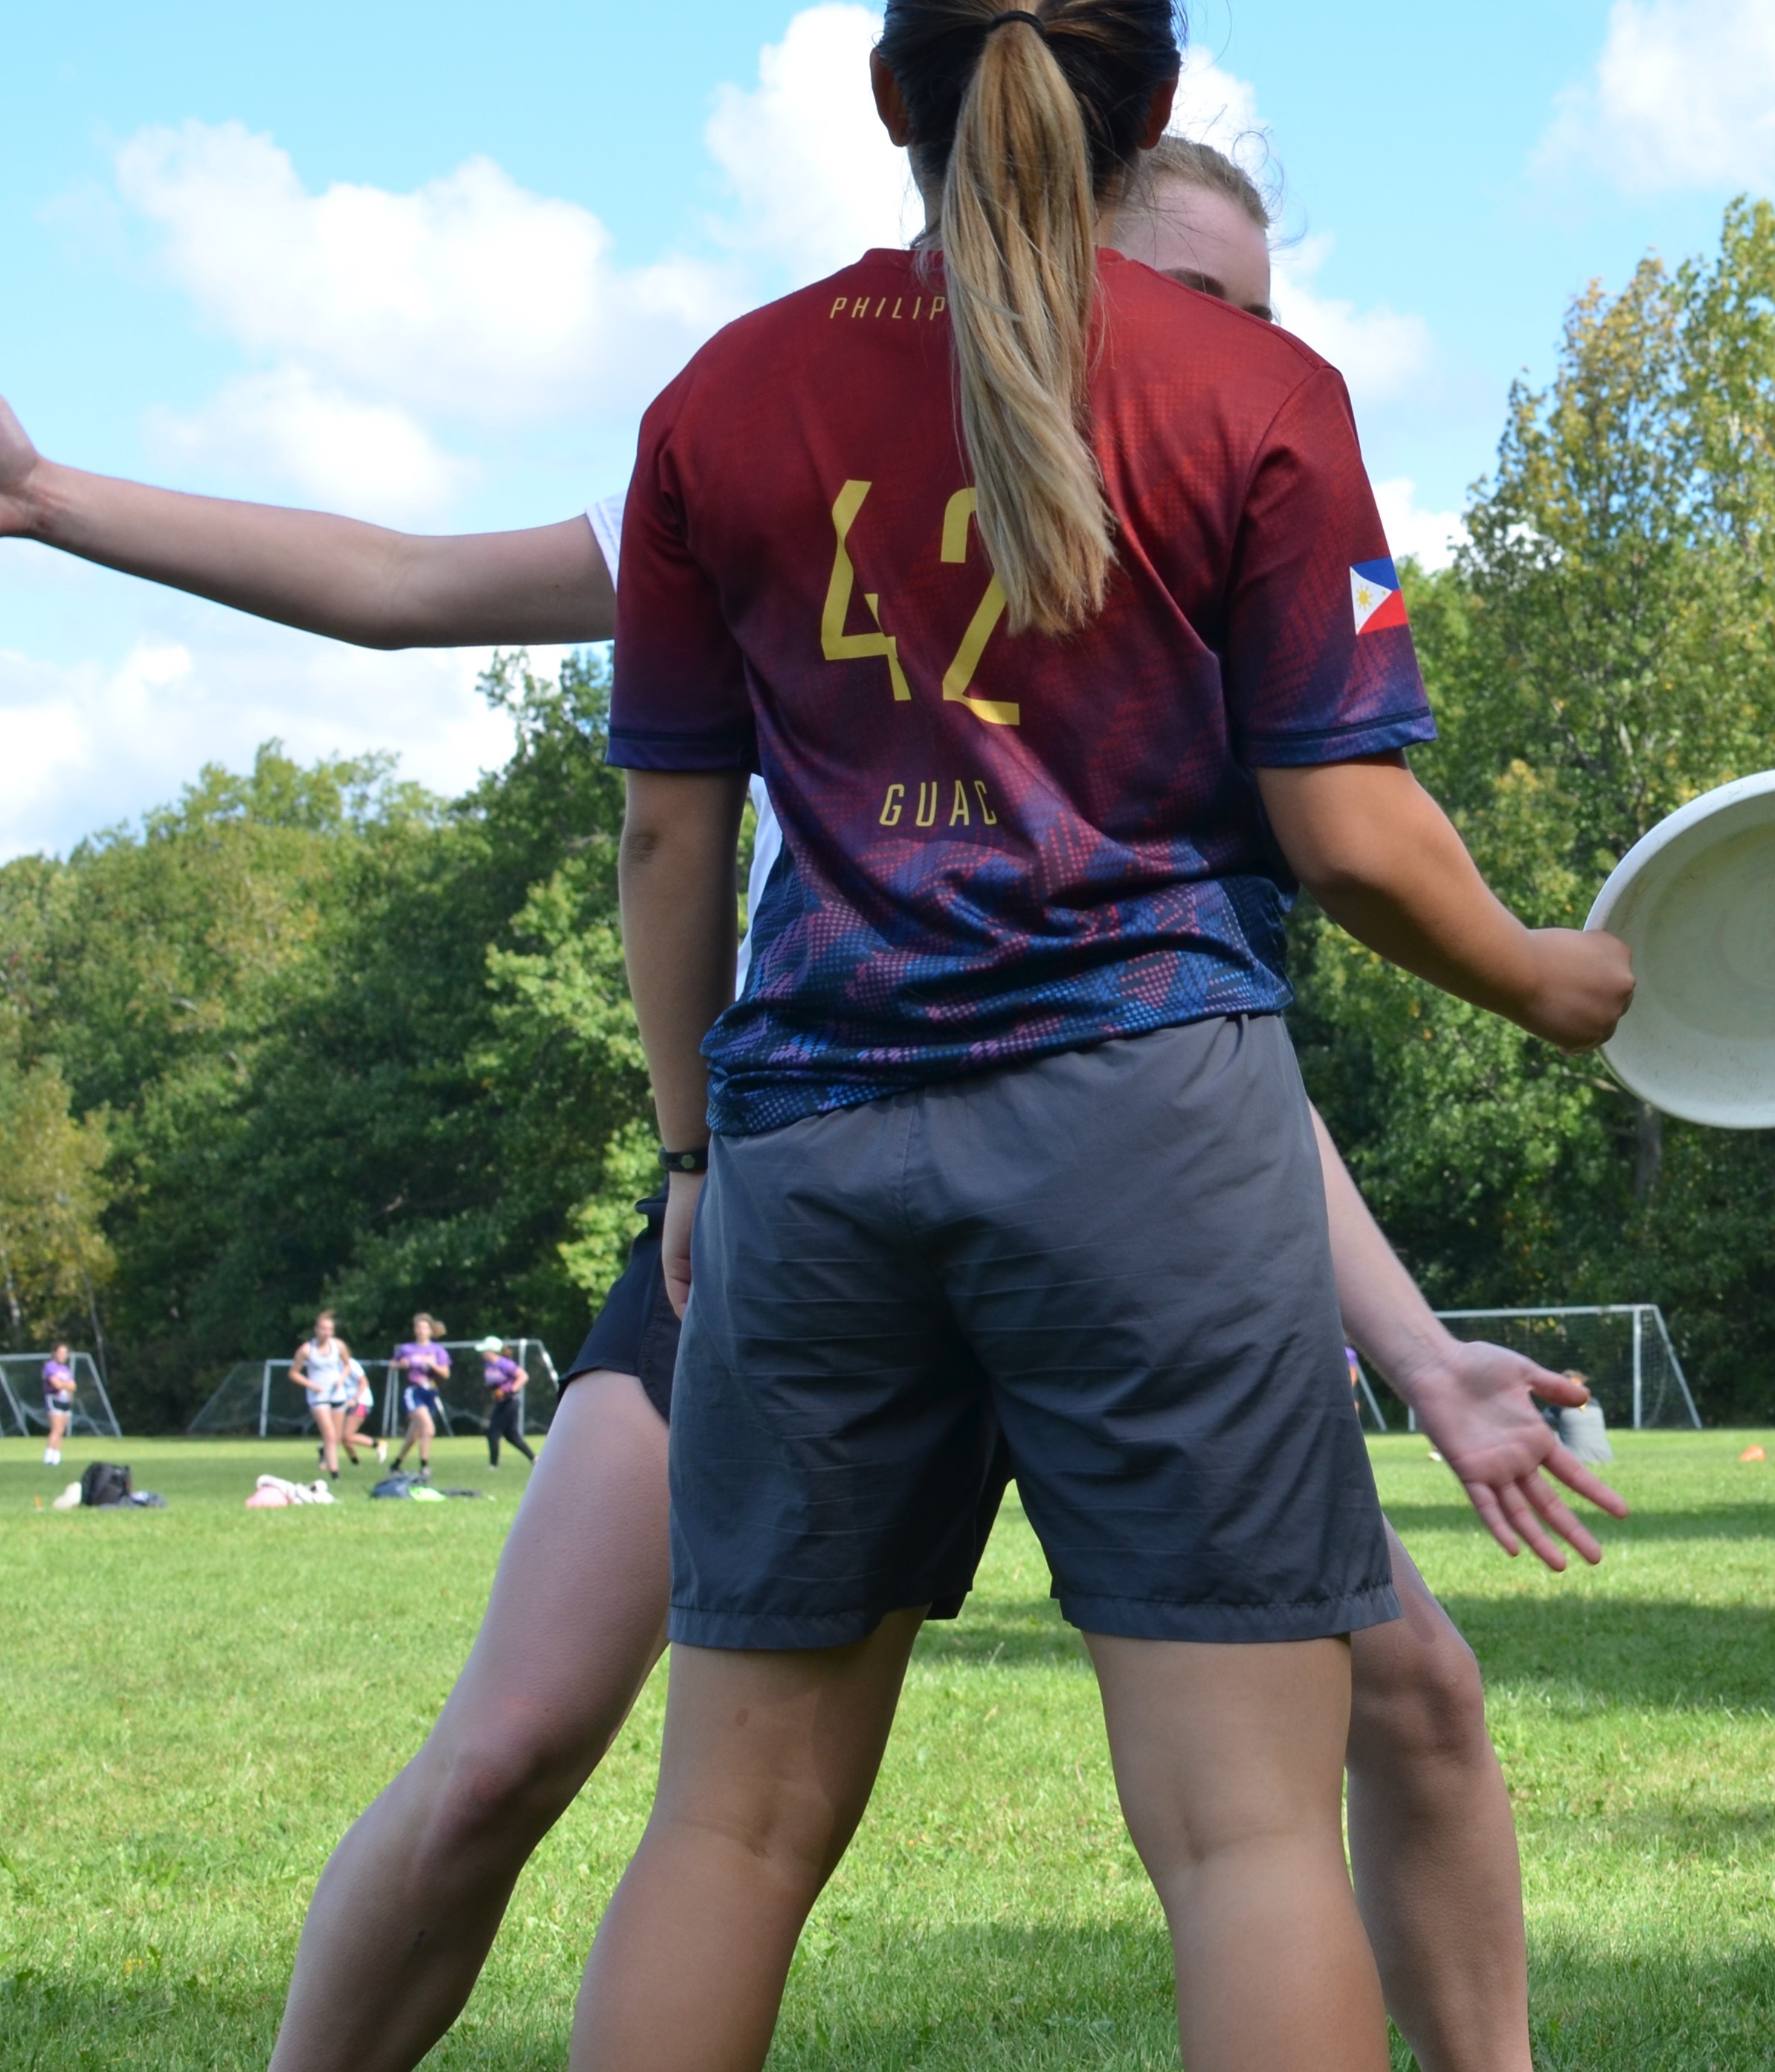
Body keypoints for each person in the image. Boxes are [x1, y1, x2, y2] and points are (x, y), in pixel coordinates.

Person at [2, 123, 1617, 2072]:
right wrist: (49, 497)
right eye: (1188, 299)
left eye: (1249, 323)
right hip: (777, 1196)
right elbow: (413, 584)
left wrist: (1420, 1352)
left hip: (1104, 1195)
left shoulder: (1207, 554)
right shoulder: (821, 465)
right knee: (513, 1753)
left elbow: (1204, 1034)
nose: (1205, 347)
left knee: (1414, 1701)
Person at [580, 0, 1640, 2072]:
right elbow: (1350, 832)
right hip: (1150, 1133)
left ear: (891, 91)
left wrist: (693, 1147)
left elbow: (673, 831)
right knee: (1244, 1837)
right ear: (1145, 121)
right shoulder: (1254, 392)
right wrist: (1537, 975)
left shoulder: (718, 402)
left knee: (734, 1827)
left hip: (813, 1142)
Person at [291, 1314, 372, 1481]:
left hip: (337, 1395)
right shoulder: (307, 1349)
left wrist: (342, 1378)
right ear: (316, 1330)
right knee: (329, 1435)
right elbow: (293, 1373)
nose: (326, 1333)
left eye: (330, 1329)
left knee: (336, 1436)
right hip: (318, 1396)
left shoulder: (339, 1346)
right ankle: (335, 1474)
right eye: (323, 1329)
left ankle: (325, 1456)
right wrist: (312, 1385)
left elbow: (348, 1365)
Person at [387, 1315, 452, 1481]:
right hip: (414, 1392)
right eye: (418, 1328)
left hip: (430, 1392)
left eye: (424, 1328)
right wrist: (401, 1364)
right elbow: (392, 1364)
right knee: (428, 1429)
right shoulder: (407, 1349)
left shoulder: (437, 1350)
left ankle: (395, 1464)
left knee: (414, 1434)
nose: (421, 1331)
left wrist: (432, 1365)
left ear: (430, 1330)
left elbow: (445, 1373)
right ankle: (424, 1467)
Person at [478, 1339, 535, 1467]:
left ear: (491, 1351)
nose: (482, 1353)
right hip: (501, 1402)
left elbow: (523, 1376)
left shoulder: (504, 1364)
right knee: (511, 1435)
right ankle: (534, 1459)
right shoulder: (489, 1365)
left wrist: (511, 1390)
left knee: (493, 1432)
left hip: (510, 1402)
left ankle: (493, 1465)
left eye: (484, 1351)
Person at [39, 1340, 75, 1467]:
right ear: (55, 1353)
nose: (63, 1355)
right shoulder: (50, 1366)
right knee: (56, 1429)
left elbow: (73, 1386)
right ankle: (48, 1456)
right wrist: (65, 1385)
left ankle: (56, 1457)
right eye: (61, 1352)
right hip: (54, 1399)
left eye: (65, 1353)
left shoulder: (65, 1369)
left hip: (65, 1401)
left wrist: (64, 1385)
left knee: (61, 1430)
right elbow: (56, 1384)